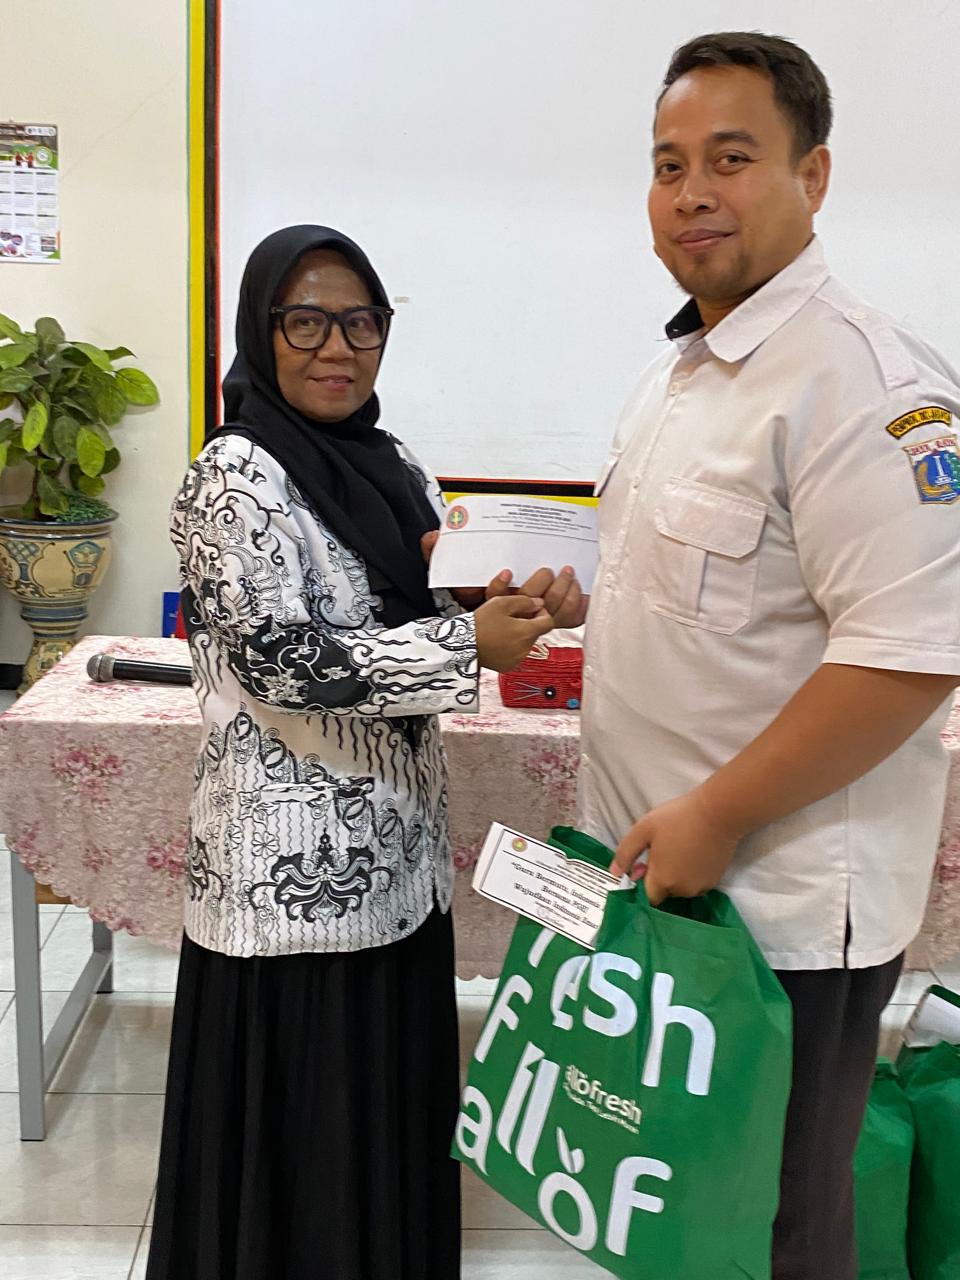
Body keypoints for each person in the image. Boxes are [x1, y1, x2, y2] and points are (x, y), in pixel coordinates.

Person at [579, 33, 960, 1280]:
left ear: (815, 175)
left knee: (773, 1235)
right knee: (671, 1217)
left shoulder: (867, 384)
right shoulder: (678, 376)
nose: (692, 192)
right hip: (667, 901)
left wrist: (718, 811)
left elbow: (909, 659)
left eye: (731, 159)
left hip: (780, 923)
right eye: (668, 164)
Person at [148, 224, 584, 1280]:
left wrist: (502, 598)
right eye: (305, 321)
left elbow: (413, 602)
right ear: (262, 330)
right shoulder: (234, 476)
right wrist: (464, 644)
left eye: (361, 322)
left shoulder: (394, 465)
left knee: (379, 1136)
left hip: (399, 869)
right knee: (300, 1152)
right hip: (287, 891)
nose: (337, 347)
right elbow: (277, 659)